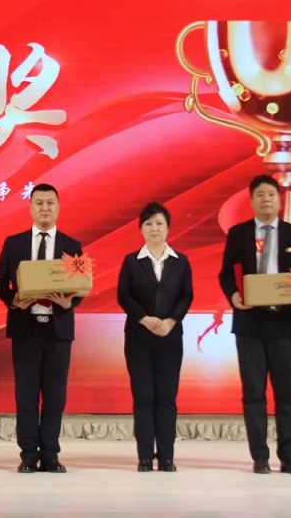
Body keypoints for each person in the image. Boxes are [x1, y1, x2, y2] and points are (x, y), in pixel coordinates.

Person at [218, 175, 291, 475]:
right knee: (253, 393)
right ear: (252, 201)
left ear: (279, 200)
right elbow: (226, 274)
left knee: (286, 393)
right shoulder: (238, 234)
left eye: (271, 195)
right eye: (260, 195)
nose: (266, 200)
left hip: (285, 324)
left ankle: (289, 456)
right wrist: (233, 296)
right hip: (250, 325)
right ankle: (260, 456)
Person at [0, 183, 84, 473]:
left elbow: (81, 285)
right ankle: (28, 455)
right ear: (30, 207)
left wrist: (69, 302)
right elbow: (0, 282)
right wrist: (14, 301)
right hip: (26, 329)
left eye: (50, 203)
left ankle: (50, 455)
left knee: (55, 396)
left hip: (58, 330)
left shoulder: (72, 245)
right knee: (26, 395)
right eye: (39, 203)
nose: (45, 208)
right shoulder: (14, 243)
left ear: (58, 207)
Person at [117, 202, 193, 472]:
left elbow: (186, 296)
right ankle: (145, 457)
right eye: (148, 224)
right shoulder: (131, 261)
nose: (154, 228)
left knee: (166, 397)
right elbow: (124, 296)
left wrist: (171, 321)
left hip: (170, 337)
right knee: (144, 396)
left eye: (159, 223)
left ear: (168, 228)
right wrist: (145, 319)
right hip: (139, 337)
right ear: (141, 229)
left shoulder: (180, 261)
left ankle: (167, 456)